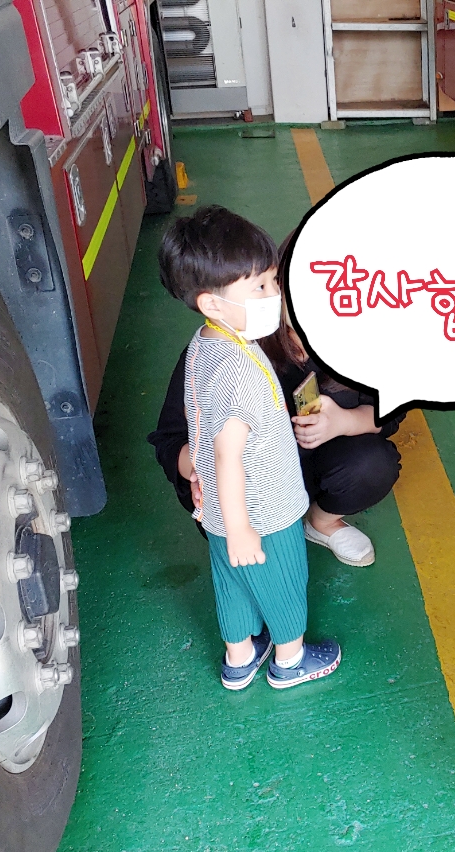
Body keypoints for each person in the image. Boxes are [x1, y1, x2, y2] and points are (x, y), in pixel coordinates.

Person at [158, 205, 340, 691]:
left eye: (273, 281)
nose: (273, 294)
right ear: (212, 303)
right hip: (263, 510)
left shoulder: (207, 342)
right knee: (283, 580)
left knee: (231, 582)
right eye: (259, 286)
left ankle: (239, 658)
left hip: (216, 507)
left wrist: (226, 521)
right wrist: (242, 527)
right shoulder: (238, 370)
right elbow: (227, 451)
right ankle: (290, 659)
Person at [149, 247, 402, 566]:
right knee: (259, 563)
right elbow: (169, 439)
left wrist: (343, 421)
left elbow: (389, 413)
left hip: (309, 470)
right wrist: (204, 469)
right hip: (245, 487)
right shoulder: (221, 351)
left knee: (373, 463)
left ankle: (321, 523)